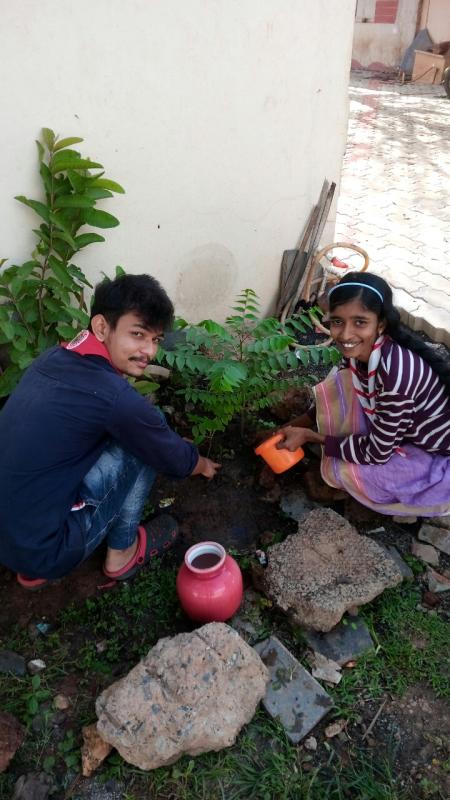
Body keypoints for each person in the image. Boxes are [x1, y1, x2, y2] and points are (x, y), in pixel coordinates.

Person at [0, 274, 220, 590]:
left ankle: (33, 564)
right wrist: (199, 462)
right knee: (142, 437)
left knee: (137, 430)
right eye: (138, 334)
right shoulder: (114, 398)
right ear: (102, 327)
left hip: (12, 535)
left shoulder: (53, 359)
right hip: (48, 549)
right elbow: (170, 457)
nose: (149, 351)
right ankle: (122, 554)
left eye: (155, 339)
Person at [277, 272, 450, 518]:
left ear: (380, 324)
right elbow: (345, 394)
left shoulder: (394, 379)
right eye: (337, 322)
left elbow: (377, 453)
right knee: (339, 382)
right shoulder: (368, 353)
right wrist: (287, 427)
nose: (345, 335)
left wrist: (310, 436)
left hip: (432, 452)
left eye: (360, 322)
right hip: (402, 425)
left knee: (345, 470)